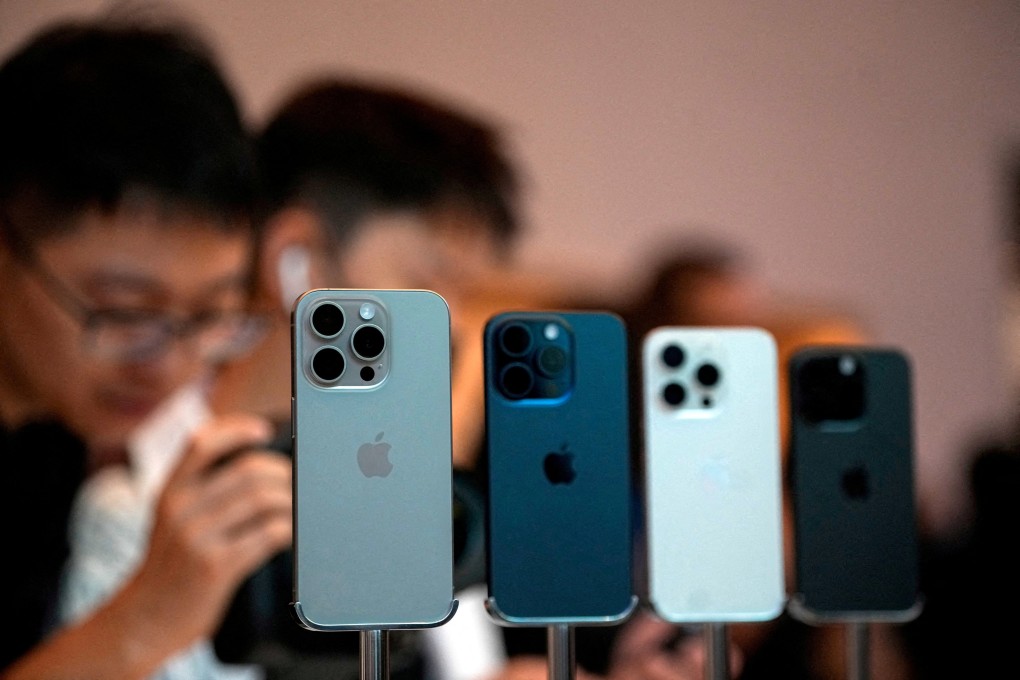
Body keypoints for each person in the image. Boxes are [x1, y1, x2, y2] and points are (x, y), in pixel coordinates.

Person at [0, 15, 292, 680]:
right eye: (127, 312)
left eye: (213, 315)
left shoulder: (57, 445)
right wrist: (142, 623)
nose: (169, 362)